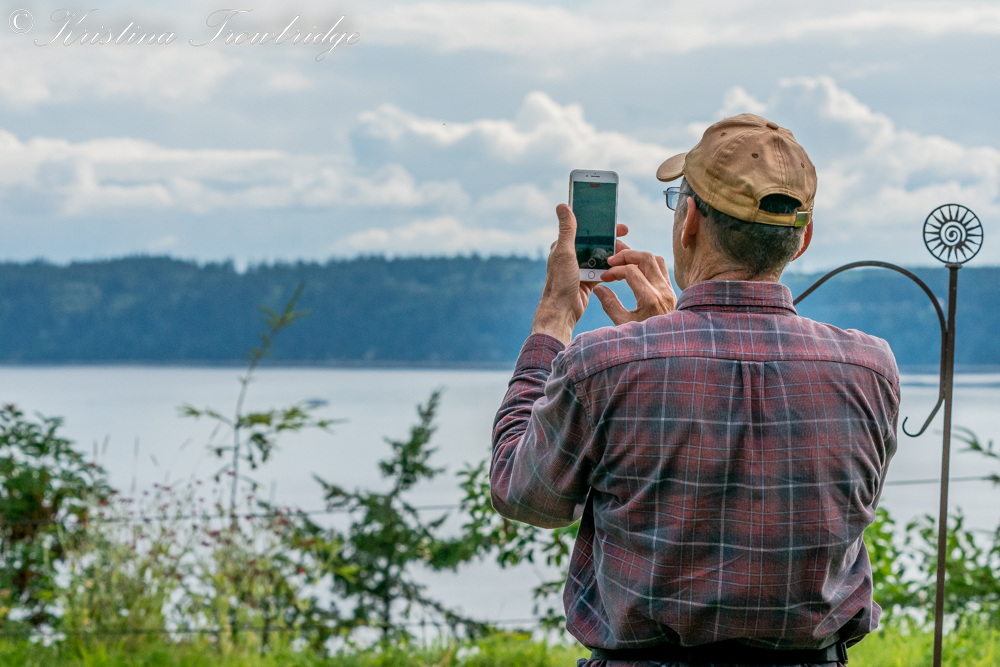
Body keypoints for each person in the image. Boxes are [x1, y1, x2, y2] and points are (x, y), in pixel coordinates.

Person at [490, 114, 899, 667]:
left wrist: (553, 322)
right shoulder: (870, 369)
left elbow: (523, 494)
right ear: (802, 239)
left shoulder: (602, 365)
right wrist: (659, 340)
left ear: (689, 223)